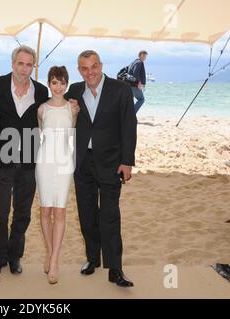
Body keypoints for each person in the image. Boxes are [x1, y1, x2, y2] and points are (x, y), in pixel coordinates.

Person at [0, 46, 75, 276]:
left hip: (30, 160)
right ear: (12, 64)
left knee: (23, 213)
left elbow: (58, 106)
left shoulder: (41, 91)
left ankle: (15, 257)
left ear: (34, 67)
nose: (24, 68)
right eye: (20, 63)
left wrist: (75, 106)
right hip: (2, 159)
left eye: (29, 64)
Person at [65, 50, 137, 287]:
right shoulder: (74, 91)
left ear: (101, 65)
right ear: (79, 70)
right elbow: (53, 107)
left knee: (109, 216)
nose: (90, 72)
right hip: (82, 162)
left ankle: (115, 268)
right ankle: (92, 258)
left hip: (111, 162)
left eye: (94, 66)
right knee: (86, 214)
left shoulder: (121, 90)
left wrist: (127, 161)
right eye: (84, 68)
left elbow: (128, 126)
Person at [35, 66, 79, 284]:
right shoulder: (42, 109)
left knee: (60, 212)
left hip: (64, 162)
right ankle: (50, 252)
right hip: (44, 162)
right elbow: (38, 135)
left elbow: (73, 133)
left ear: (67, 84)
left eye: (62, 82)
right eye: (54, 82)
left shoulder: (73, 108)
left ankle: (54, 261)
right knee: (45, 210)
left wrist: (76, 111)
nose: (58, 86)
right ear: (49, 84)